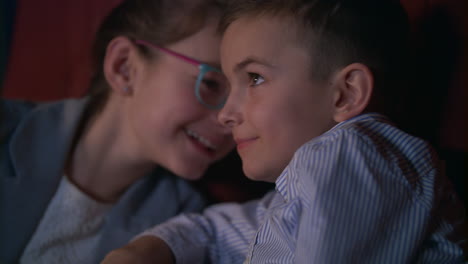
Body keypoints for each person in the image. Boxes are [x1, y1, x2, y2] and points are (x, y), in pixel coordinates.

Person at [102, 0, 467, 263]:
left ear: (345, 93)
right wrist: (151, 247)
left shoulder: (353, 153)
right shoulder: (306, 185)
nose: (226, 114)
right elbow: (219, 230)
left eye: (255, 78)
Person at [0, 0, 237, 263]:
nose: (231, 117)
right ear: (124, 67)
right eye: (211, 83)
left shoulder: (190, 230)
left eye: (242, 96)